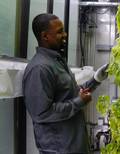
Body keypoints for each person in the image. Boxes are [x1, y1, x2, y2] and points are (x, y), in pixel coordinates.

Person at [22, 13, 108, 154]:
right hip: (60, 149)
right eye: (59, 32)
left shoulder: (57, 61)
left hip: (73, 145)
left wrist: (95, 80)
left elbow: (71, 94)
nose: (65, 35)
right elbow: (42, 113)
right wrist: (79, 102)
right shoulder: (39, 69)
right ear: (45, 36)